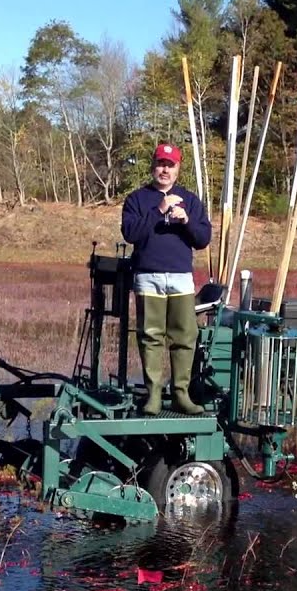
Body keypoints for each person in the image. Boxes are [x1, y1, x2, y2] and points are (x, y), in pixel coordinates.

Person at [121, 143, 212, 415]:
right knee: (151, 337)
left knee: (185, 335)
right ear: (153, 166)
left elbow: (203, 239)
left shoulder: (191, 200)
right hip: (148, 278)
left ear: (178, 169)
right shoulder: (137, 200)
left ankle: (181, 394)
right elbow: (131, 233)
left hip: (181, 278)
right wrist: (159, 209)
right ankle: (154, 395)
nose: (165, 169)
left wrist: (186, 221)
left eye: (170, 165)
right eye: (161, 164)